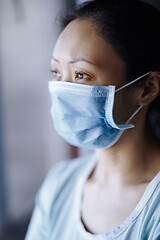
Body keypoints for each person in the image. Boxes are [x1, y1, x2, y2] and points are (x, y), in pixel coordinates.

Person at [25, 0, 160, 239]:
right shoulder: (59, 184)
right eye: (56, 72)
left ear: (147, 88)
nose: (63, 90)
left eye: (81, 75)